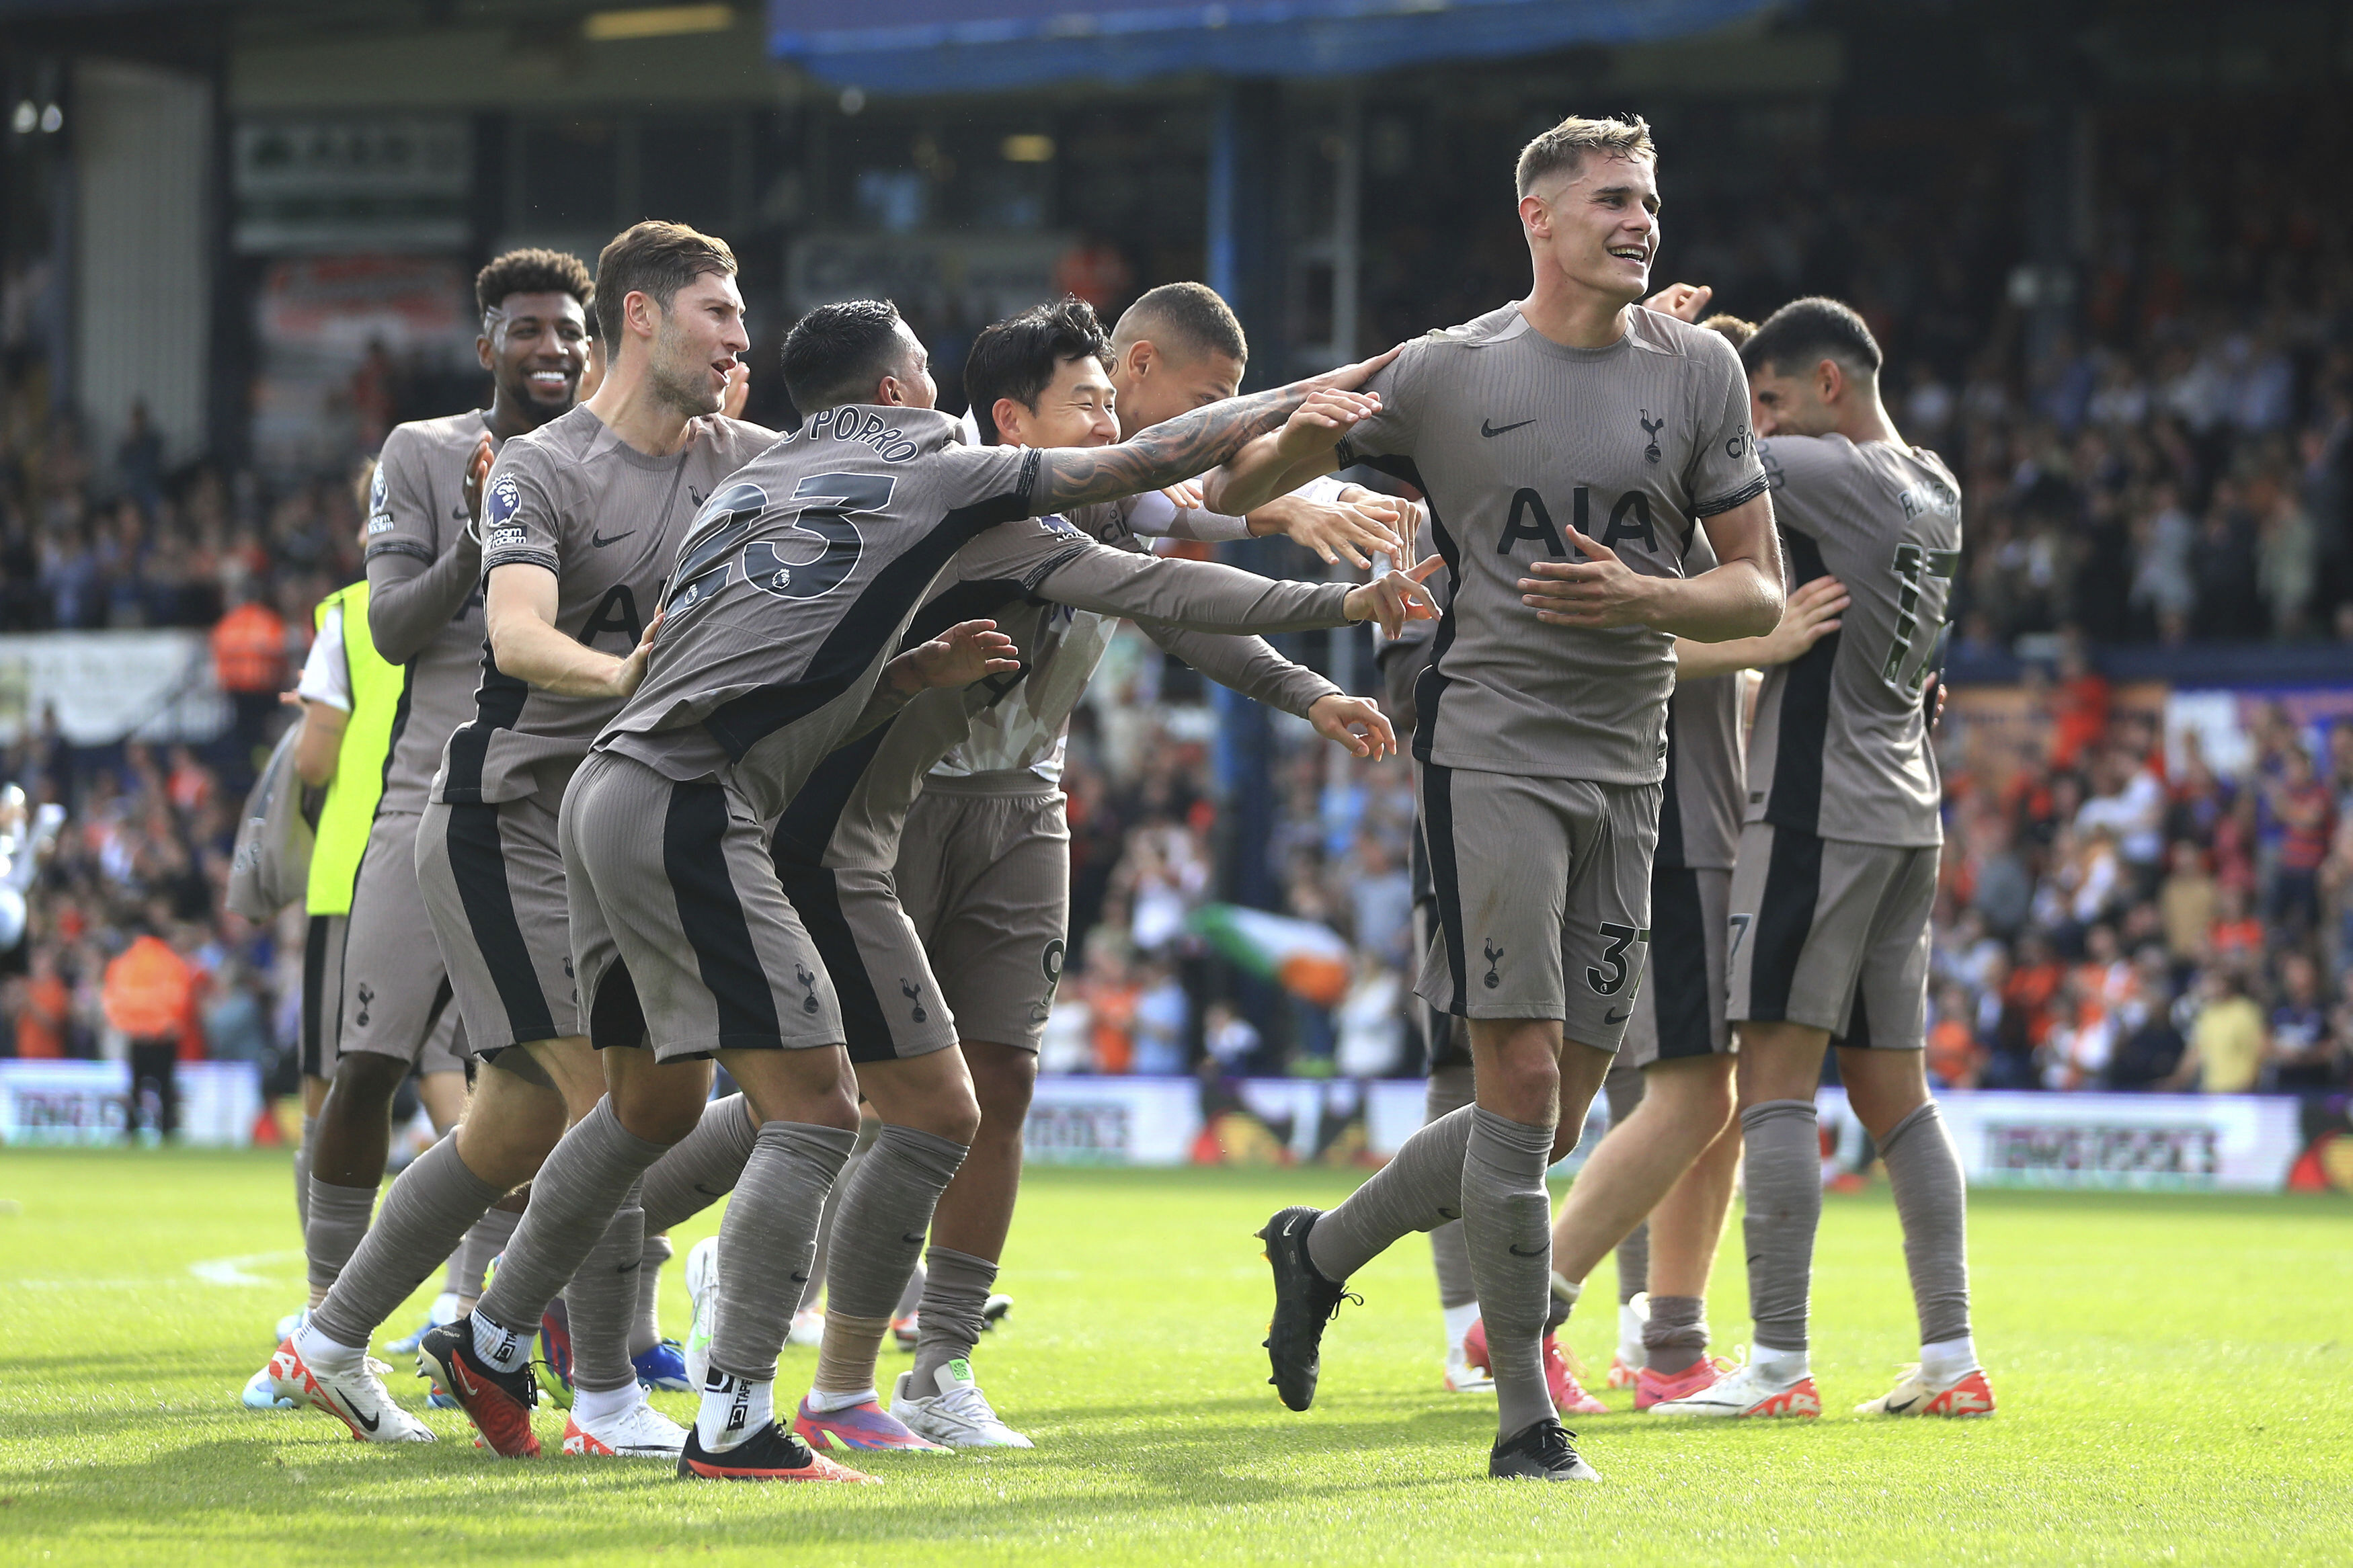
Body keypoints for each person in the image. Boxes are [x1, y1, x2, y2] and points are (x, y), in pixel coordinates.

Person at [419, 296, 1421, 1483]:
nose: (942, 396)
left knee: (653, 1107)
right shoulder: (949, 475)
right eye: (927, 375)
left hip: (618, 786)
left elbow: (1143, 540)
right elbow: (1163, 514)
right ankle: (746, 1409)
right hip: (718, 807)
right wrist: (1333, 460)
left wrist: (908, 673)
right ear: (901, 395)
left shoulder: (762, 479)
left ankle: (487, 1333)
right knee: (821, 1111)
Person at [1217, 112, 1782, 1483]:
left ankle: (1323, 1246)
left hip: (1627, 757)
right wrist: (1303, 440)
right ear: (1537, 217)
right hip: (1489, 746)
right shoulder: (1449, 370)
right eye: (1610, 201)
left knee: (1560, 1107)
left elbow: (1758, 587)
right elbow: (1239, 488)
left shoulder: (1699, 369)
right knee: (1520, 1076)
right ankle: (1524, 1415)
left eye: (1648, 199)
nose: (1637, 221)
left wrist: (1648, 597)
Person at [269, 221, 775, 1457]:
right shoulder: (535, 469)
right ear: (643, 319)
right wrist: (628, 675)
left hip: (620, 832)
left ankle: (328, 1342)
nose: (740, 337)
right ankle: (596, 1393)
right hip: (505, 820)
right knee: (605, 1102)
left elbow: (905, 478)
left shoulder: (745, 458)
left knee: (525, 1121)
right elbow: (515, 637)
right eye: (718, 311)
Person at [1654, 296, 1989, 1421]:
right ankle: (1952, 1355)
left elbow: (1693, 450)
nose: (1767, 429)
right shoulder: (1936, 480)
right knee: (1899, 1092)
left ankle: (1778, 1362)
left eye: (1778, 403)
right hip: (1908, 808)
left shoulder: (1825, 471)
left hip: (1812, 810)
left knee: (1775, 1085)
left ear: (1830, 387)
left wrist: (1656, 349)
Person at [296, 251, 625, 1378]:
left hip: (567, 808)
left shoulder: (612, 458)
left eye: (570, 331)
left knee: (534, 1086)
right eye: (528, 330)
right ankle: (321, 1319)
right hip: (424, 797)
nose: (553, 349)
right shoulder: (426, 453)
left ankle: (482, 1322)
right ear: (486, 345)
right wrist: (476, 546)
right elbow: (388, 630)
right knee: (368, 1067)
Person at [1529, 306, 1847, 1414]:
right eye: (1745, 408)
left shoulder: (1727, 518)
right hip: (1659, 820)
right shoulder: (1659, 515)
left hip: (1714, 825)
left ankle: (1668, 1342)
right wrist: (1769, 638)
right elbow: (1628, 635)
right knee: (1681, 1093)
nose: (1755, 431)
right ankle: (1522, 1315)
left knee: (1702, 1096)